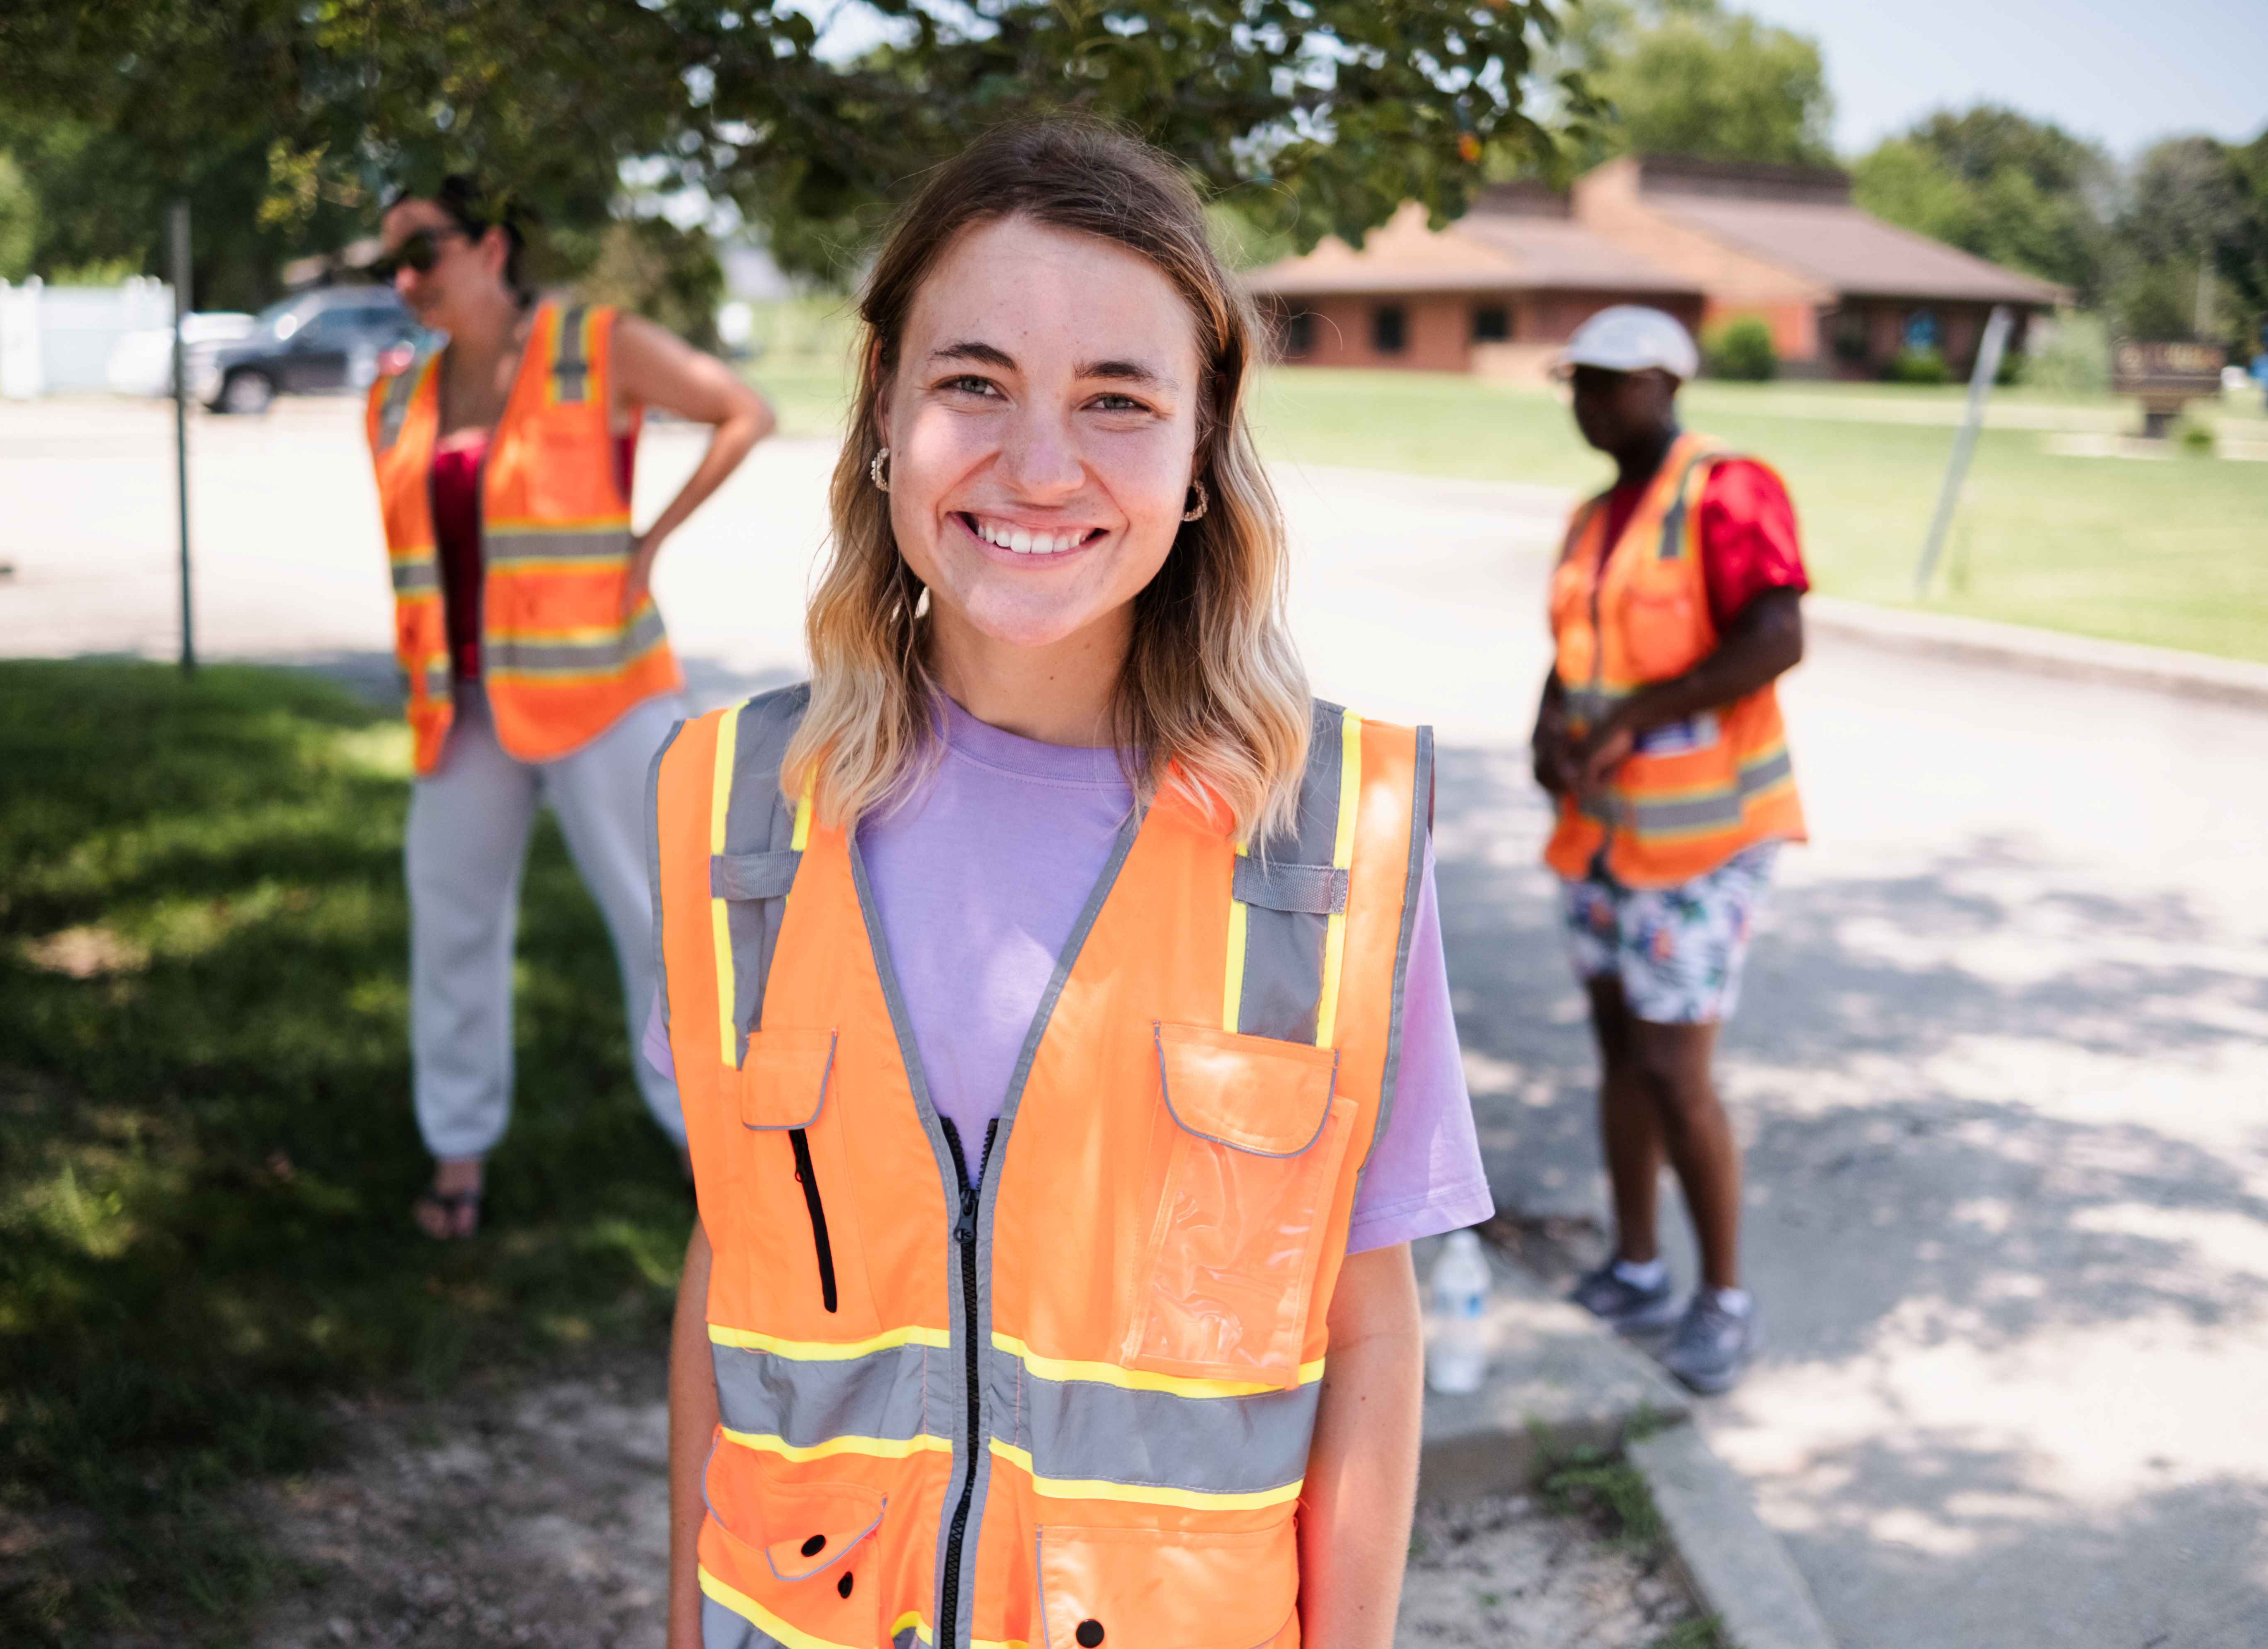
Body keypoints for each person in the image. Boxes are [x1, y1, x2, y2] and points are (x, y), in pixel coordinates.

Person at [648, 122, 1492, 1649]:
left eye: (1117, 401)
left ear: (1196, 454)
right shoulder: (731, 806)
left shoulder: (1328, 837)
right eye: (973, 382)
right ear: (886, 416)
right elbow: (733, 1259)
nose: (1038, 467)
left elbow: (1369, 1330)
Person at [364, 176, 774, 1238]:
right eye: (389, 265)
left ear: (492, 246)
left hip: (603, 689)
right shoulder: (399, 393)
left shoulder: (593, 344)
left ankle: (715, 1158)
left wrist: (652, 542)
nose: (406, 280)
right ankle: (457, 1153)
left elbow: (744, 411)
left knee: (667, 928)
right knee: (451, 927)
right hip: (462, 711)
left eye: (424, 252)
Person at [1530, 305, 1809, 1394]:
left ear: (1666, 381)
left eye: (1609, 381)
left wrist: (1640, 717)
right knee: (1619, 1054)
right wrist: (1549, 730)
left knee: (1675, 1068)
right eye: (1578, 384)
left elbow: (1777, 636)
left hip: (1701, 842)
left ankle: (1722, 1298)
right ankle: (1637, 1263)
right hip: (1602, 832)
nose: (1590, 403)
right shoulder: (1596, 515)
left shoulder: (1729, 491)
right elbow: (1571, 653)